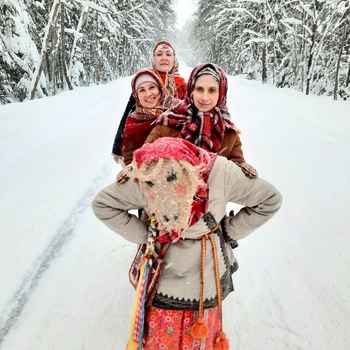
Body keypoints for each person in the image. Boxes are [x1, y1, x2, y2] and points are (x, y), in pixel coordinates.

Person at [92, 137, 283, 349]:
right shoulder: (149, 171)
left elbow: (269, 199)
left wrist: (228, 232)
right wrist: (148, 235)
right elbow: (103, 204)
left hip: (201, 280)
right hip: (169, 284)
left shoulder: (219, 172)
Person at [144, 62, 257, 178]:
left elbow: (234, 168)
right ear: (191, 90)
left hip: (213, 195)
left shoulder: (228, 132)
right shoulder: (168, 122)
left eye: (212, 90)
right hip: (170, 193)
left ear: (221, 93)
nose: (204, 97)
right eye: (199, 89)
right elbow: (144, 156)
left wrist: (240, 167)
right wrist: (133, 167)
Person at [111, 41, 187, 160]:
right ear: (153, 59)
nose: (164, 58)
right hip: (142, 146)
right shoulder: (144, 81)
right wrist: (118, 147)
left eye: (168, 54)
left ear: (174, 59)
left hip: (174, 149)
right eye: (159, 54)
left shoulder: (182, 86)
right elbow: (128, 114)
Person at [114, 68, 180, 165]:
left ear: (160, 89)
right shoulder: (133, 121)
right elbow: (130, 160)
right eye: (142, 90)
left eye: (151, 87)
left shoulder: (178, 111)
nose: (148, 94)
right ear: (136, 95)